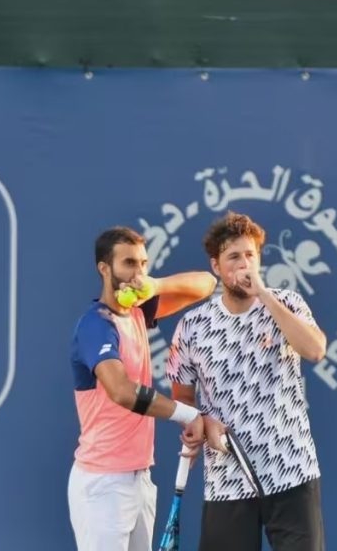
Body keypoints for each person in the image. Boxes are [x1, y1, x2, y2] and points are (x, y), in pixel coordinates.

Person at [168, 212, 329, 551]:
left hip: (291, 470)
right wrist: (200, 421)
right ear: (216, 266)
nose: (244, 265)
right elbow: (183, 398)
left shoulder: (287, 303)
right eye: (234, 257)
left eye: (251, 255)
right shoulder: (193, 326)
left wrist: (266, 297)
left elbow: (314, 350)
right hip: (227, 479)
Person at [68, 225, 222, 551]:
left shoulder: (138, 312)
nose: (137, 273)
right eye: (128, 264)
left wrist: (156, 286)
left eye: (143, 263)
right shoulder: (96, 325)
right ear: (104, 268)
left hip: (141, 480)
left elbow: (207, 284)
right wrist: (186, 413)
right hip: (103, 485)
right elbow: (122, 392)